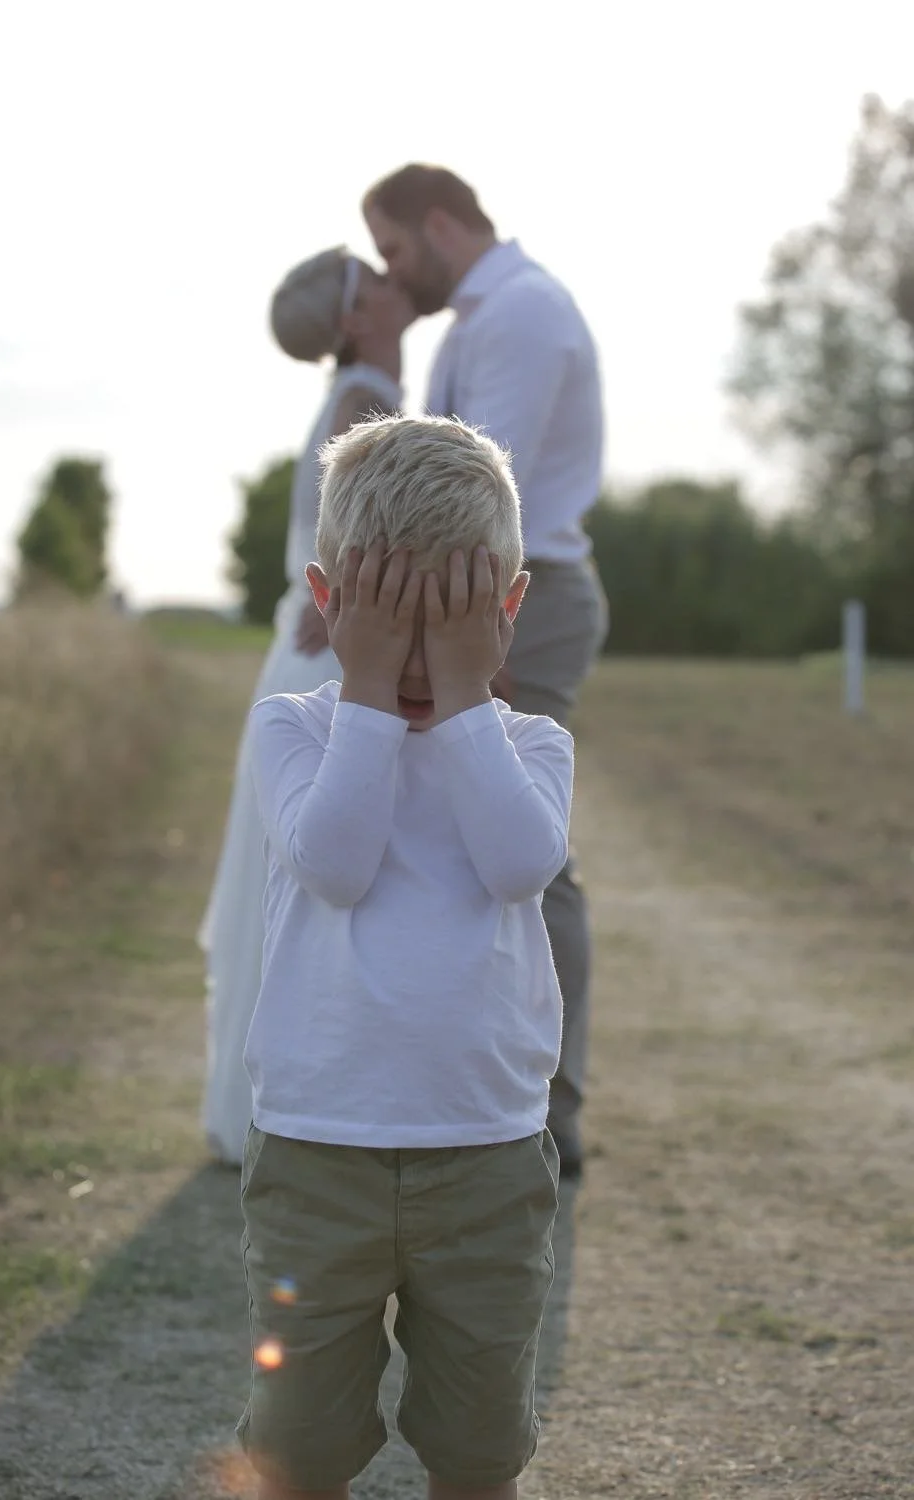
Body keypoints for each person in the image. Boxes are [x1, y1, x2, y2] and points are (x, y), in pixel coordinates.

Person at [238, 414, 573, 1497]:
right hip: (315, 1156)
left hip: (483, 1155)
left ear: (507, 609)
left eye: (455, 625)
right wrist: (369, 694)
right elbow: (333, 861)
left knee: (478, 1441)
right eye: (393, 624)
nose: (420, 659)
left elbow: (521, 863)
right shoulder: (295, 731)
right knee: (301, 1440)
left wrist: (468, 697)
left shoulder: (528, 745)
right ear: (330, 603)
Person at [363, 165, 608, 1179]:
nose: (390, 271)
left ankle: (550, 1105)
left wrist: (452, 623)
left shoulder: (521, 313)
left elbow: (473, 486)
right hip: (471, 588)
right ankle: (455, 1082)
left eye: (391, 250)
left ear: (437, 223)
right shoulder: (478, 319)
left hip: (521, 594)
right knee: (450, 830)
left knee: (527, 847)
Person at [199, 247, 412, 1165]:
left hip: (310, 640)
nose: (397, 279)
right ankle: (295, 1109)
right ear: (360, 315)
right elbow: (379, 542)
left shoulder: (356, 393)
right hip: (331, 658)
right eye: (377, 273)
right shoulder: (367, 399)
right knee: (320, 876)